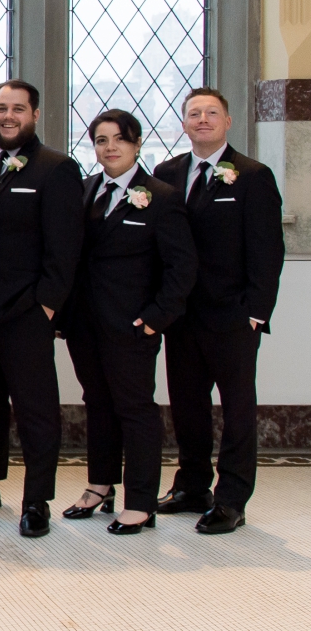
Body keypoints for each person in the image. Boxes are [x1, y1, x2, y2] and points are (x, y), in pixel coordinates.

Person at [0, 80, 83, 538]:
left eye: (18, 109)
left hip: (26, 312)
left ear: (35, 115)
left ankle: (36, 500)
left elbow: (64, 250)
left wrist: (45, 308)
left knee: (36, 409)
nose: (8, 116)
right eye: (0, 108)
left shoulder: (56, 169)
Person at [153, 88, 284, 534]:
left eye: (212, 113)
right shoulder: (165, 173)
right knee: (187, 405)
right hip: (181, 315)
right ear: (184, 123)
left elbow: (268, 252)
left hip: (232, 316)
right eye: (194, 113)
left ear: (227, 121)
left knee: (237, 409)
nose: (203, 120)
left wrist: (256, 312)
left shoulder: (252, 176)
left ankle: (231, 497)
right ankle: (192, 485)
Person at [61, 108, 196, 535]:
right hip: (84, 325)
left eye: (119, 139)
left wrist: (156, 319)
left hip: (133, 326)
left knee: (135, 410)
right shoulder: (83, 191)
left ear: (136, 144)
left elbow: (182, 267)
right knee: (97, 403)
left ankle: (140, 502)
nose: (110, 147)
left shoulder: (161, 196)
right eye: (101, 140)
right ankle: (101, 485)